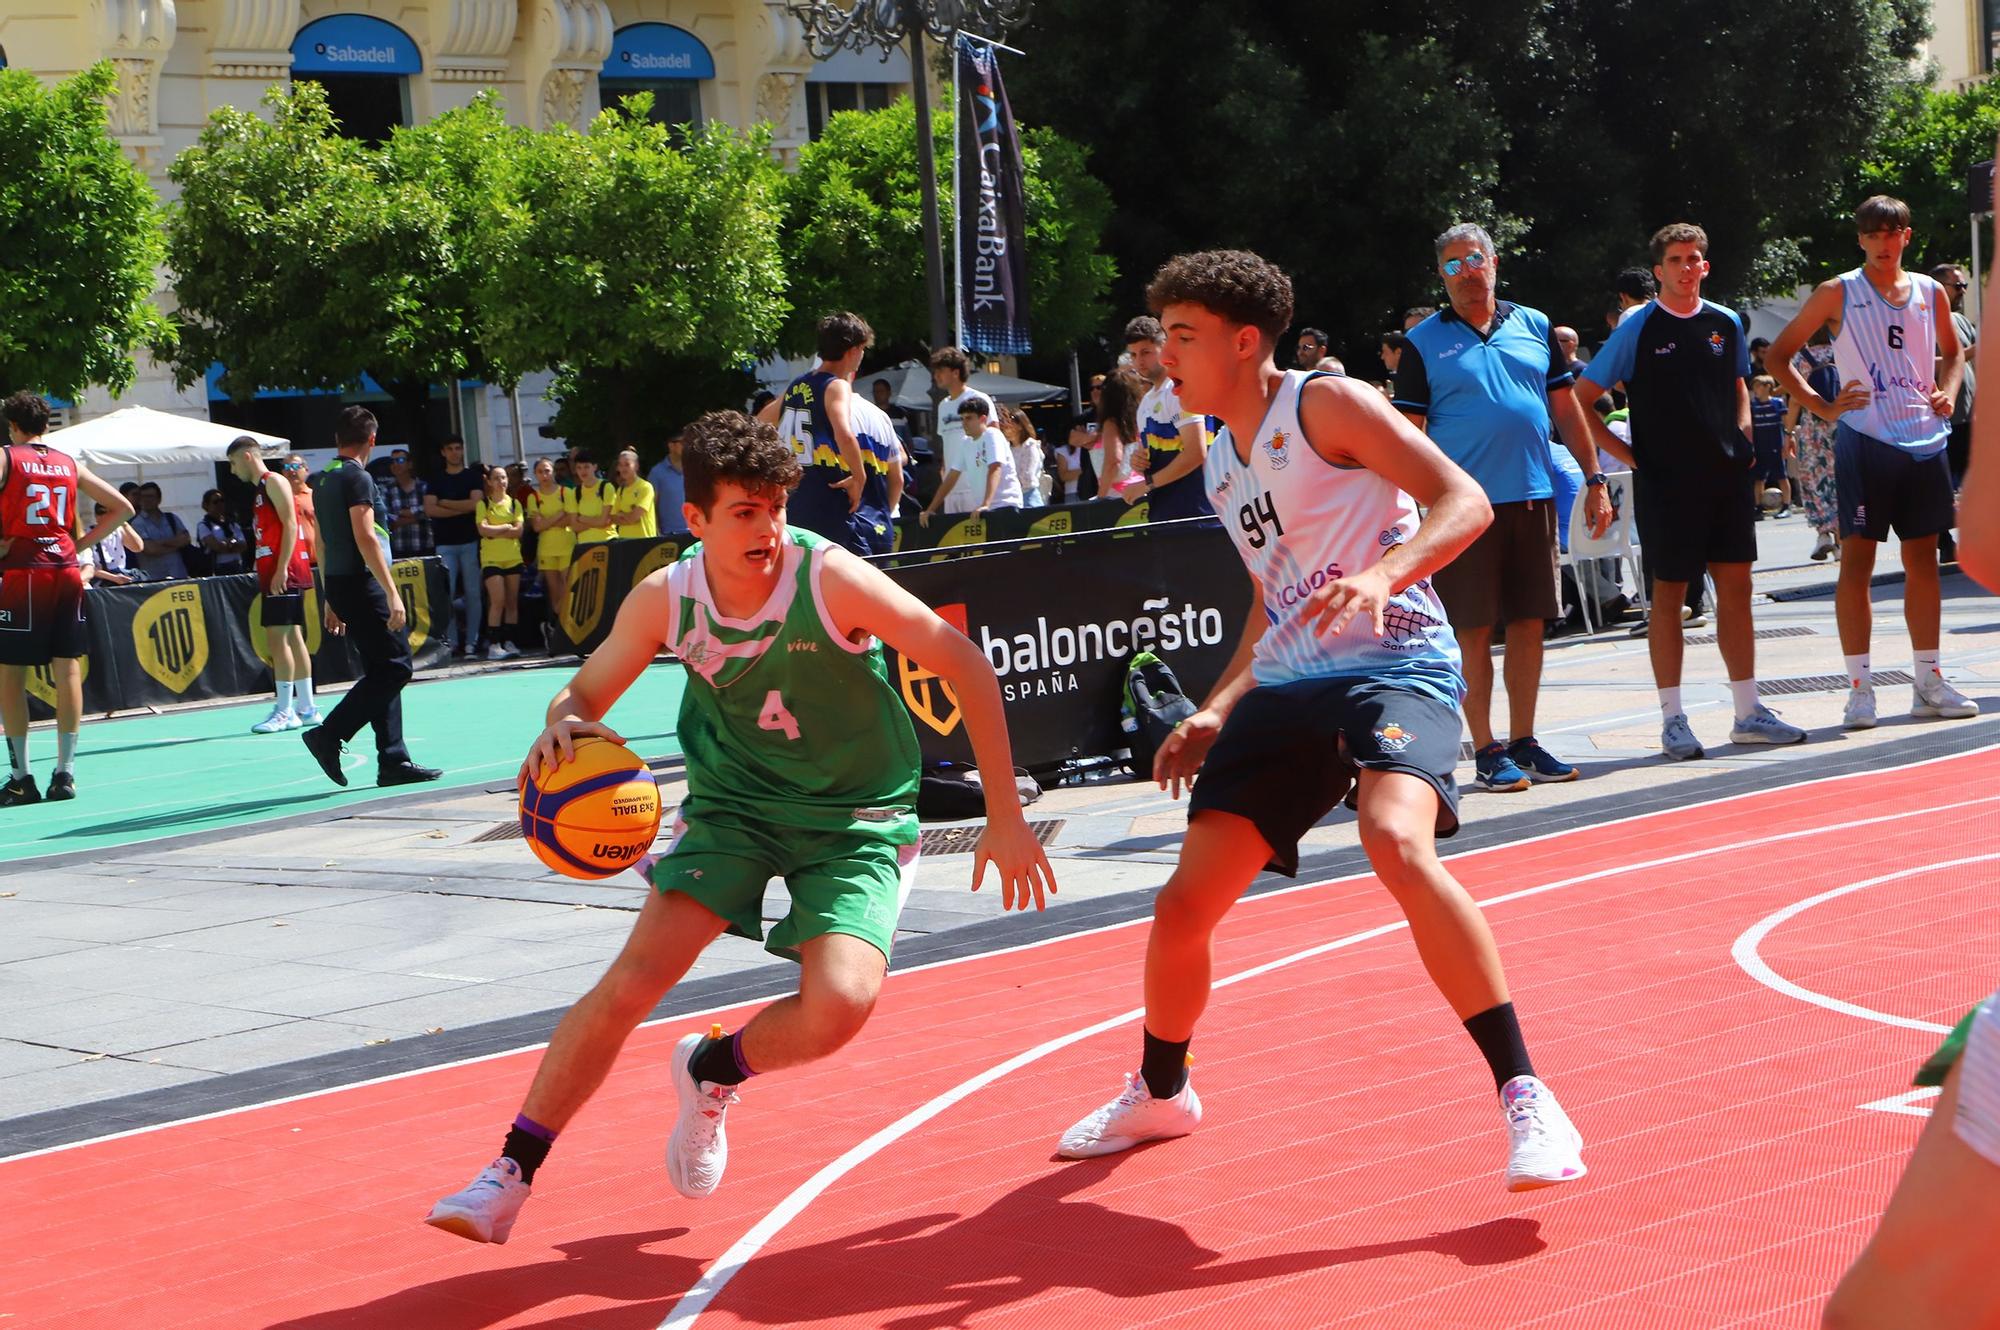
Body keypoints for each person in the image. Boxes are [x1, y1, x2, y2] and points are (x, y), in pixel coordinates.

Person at [424, 409, 1055, 1243]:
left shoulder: (830, 579)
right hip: (735, 808)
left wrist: (1003, 817)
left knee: (839, 1008)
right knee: (632, 982)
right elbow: (581, 695)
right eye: (745, 513)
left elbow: (967, 664)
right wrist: (561, 722)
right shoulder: (668, 598)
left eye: (777, 508)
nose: (768, 528)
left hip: (853, 818)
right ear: (696, 519)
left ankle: (714, 1068)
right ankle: (507, 1173)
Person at [1053, 250, 1586, 1191]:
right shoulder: (1222, 465)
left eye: (1183, 338)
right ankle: (1163, 1092)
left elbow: (1461, 501)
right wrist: (1217, 707)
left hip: (1399, 662)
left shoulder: (1324, 406)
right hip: (1294, 683)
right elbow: (1272, 600)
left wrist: (1383, 575)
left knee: (1395, 841)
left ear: (1242, 341)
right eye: (1163, 337)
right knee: (1183, 906)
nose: (1161, 357)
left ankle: (1528, 1098)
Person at [1574, 222, 1808, 759]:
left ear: (1705, 265)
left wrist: (1743, 434)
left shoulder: (1724, 321)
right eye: (1676, 259)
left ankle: (1748, 712)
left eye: (1695, 258)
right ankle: (1672, 719)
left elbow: (1737, 385)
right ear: (1659, 271)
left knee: (1737, 594)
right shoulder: (1638, 328)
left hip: (1724, 480)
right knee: (1669, 602)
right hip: (1667, 486)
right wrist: (1634, 456)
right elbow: (1581, 399)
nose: (1687, 266)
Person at [1394, 222, 1611, 790]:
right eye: (1451, 265)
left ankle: (1524, 740)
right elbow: (1409, 434)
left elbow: (1567, 411)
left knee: (1530, 622)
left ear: (1493, 262)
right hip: (1463, 509)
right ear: (1441, 277)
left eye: (1473, 260)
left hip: (1535, 493)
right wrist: (1418, 511)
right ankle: (1486, 748)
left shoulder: (1535, 324)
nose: (1466, 273)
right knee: (1472, 628)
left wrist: (1595, 479)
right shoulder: (1422, 344)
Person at [1767, 195, 1979, 730]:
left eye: (1894, 233)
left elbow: (1953, 354)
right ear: (1860, 239)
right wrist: (1821, 406)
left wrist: (1947, 393)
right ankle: (1860, 689)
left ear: (1907, 237)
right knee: (1856, 564)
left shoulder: (1931, 293)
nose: (1884, 243)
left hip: (1924, 440)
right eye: (1874, 234)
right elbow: (1778, 354)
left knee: (1925, 564)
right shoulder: (1838, 291)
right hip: (1865, 438)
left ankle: (1928, 682)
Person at [0, 392, 133, 805]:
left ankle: (22, 775)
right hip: (65, 570)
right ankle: (66, 773)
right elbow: (122, 507)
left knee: (10, 675)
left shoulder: (7, 457)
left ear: (13, 426)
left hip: (23, 570)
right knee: (68, 671)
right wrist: (78, 545)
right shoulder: (68, 462)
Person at [301, 407, 440, 789]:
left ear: (336, 439)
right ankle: (330, 734)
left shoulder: (323, 478)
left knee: (382, 669)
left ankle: (393, 759)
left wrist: (331, 597)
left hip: (343, 582)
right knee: (397, 668)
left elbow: (323, 541)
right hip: (364, 583)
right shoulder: (358, 477)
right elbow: (365, 536)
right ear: (372, 440)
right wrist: (392, 591)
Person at [760, 312, 874, 554]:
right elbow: (844, 433)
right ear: (853, 350)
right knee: (860, 569)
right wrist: (859, 477)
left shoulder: (797, 385)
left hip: (796, 500)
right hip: (827, 498)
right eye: (863, 349)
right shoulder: (835, 386)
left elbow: (759, 422)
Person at [228, 437, 318, 733]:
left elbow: (291, 523)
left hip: (284, 571)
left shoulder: (273, 480)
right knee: (292, 636)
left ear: (247, 457)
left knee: (277, 640)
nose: (231, 470)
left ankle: (285, 711)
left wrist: (280, 569)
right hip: (275, 570)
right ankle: (306, 708)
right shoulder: (260, 489)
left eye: (233, 462)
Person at [1123, 315, 1216, 521]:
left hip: (1196, 511)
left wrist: (1147, 484)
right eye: (1134, 354)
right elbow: (1151, 456)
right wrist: (1138, 461)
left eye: (1146, 352)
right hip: (1165, 511)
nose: (1139, 360)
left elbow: (1196, 452)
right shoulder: (1146, 402)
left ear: (1163, 347)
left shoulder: (1180, 388)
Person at [1929, 261, 1977, 563]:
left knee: (1977, 479)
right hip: (1942, 416)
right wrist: (1970, 352)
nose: (1961, 291)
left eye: (1963, 285)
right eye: (1956, 285)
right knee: (1940, 483)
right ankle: (1944, 541)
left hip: (1969, 415)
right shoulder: (1924, 319)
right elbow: (1929, 361)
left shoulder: (1960, 320)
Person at [424, 435, 484, 657]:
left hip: (469, 541)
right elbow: (430, 509)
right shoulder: (436, 479)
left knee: (473, 593)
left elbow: (477, 505)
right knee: (446, 595)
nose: (455, 452)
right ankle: (451, 642)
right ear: (443, 452)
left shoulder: (473, 477)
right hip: (445, 544)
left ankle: (472, 642)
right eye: (450, 449)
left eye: (458, 448)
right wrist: (464, 508)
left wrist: (446, 503)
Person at [1786, 329, 1843, 561]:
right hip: (1841, 424)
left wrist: (1788, 432)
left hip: (1812, 428)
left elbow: (1796, 400)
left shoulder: (1801, 359)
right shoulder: (1841, 354)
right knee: (1839, 480)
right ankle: (1842, 544)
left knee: (1815, 479)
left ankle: (1823, 535)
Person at [922, 398, 1022, 524]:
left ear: (983, 419)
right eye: (962, 419)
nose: (964, 423)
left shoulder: (993, 435)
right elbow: (951, 477)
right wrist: (930, 510)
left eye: (969, 418)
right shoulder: (966, 442)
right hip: (985, 511)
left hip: (1006, 506)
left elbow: (995, 468)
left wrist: (986, 504)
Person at [477, 463, 526, 660]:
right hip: (491, 558)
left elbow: (519, 530)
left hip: (512, 556)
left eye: (503, 477)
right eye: (496, 478)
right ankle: (494, 644)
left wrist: (495, 529)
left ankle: (509, 641)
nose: (501, 482)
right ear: (489, 482)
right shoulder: (484, 504)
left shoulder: (515, 504)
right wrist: (506, 526)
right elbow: (482, 530)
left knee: (512, 601)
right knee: (498, 600)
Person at [526, 458, 574, 648]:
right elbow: (537, 527)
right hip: (546, 548)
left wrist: (549, 521)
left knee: (568, 588)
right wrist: (559, 515)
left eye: (547, 471)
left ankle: (566, 629)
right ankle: (555, 628)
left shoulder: (565, 492)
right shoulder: (534, 497)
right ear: (535, 474)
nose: (544, 475)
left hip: (566, 544)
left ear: (552, 471)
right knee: (554, 593)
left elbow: (570, 519)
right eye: (540, 472)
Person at [127, 482, 191, 581]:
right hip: (153, 579)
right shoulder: (137, 523)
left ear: (159, 499)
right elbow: (150, 549)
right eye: (143, 497)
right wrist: (175, 544)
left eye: (150, 496)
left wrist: (159, 543)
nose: (146, 500)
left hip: (178, 574)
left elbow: (186, 539)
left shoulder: (172, 518)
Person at [1749, 375, 1791, 516]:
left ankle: (1786, 506)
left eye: (1758, 386)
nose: (1755, 390)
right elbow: (1751, 427)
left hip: (1776, 446)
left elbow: (1786, 424)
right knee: (1759, 479)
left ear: (1768, 387)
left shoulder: (1778, 403)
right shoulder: (1752, 406)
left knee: (1782, 476)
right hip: (1759, 447)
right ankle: (1758, 507)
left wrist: (1787, 442)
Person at [81, 501, 144, 586]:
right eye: (101, 512)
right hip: (100, 582)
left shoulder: (118, 530)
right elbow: (87, 567)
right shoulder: (87, 534)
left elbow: (138, 547)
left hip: (121, 576)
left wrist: (123, 523)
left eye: (110, 513)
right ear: (96, 515)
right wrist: (114, 578)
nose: (105, 516)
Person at [384, 449, 432, 560]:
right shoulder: (387, 490)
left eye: (400, 460)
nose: (395, 464)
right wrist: (418, 516)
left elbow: (430, 512)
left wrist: (401, 513)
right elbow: (389, 520)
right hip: (398, 550)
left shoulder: (423, 487)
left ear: (410, 464)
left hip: (424, 547)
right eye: (392, 461)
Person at [565, 452, 617, 551]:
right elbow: (574, 526)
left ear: (594, 467)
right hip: (585, 547)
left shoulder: (606, 487)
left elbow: (604, 521)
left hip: (607, 543)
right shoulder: (575, 492)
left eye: (586, 467)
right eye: (579, 468)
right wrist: (596, 522)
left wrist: (582, 518)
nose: (582, 471)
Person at [997, 404, 1047, 508]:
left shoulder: (1030, 445)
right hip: (1011, 498)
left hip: (1028, 497)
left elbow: (1028, 477)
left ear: (1020, 425)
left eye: (1011, 419)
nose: (1006, 424)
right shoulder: (1006, 447)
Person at [195, 488, 248, 576]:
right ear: (206, 505)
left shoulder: (232, 524)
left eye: (222, 501)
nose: (220, 504)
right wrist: (233, 543)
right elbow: (216, 546)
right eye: (215, 502)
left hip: (237, 566)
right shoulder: (204, 525)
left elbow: (243, 546)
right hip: (218, 569)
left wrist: (226, 545)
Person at [609, 449, 658, 542]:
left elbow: (634, 518)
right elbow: (613, 518)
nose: (623, 468)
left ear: (636, 466)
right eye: (620, 465)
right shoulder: (620, 490)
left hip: (644, 542)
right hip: (625, 542)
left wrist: (622, 514)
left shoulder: (645, 487)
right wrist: (629, 515)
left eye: (627, 464)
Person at [648, 430, 687, 535]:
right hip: (669, 534)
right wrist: (656, 532)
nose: (686, 446)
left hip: (694, 533)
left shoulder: (692, 469)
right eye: (682, 442)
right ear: (671, 445)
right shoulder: (657, 472)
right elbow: (652, 505)